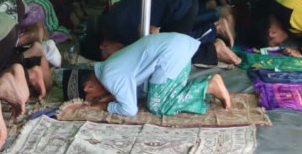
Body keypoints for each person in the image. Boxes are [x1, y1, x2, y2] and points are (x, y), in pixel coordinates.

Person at [61, 32, 231, 116]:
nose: (96, 100)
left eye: (92, 98)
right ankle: (195, 92)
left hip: (171, 54)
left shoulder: (110, 76)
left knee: (157, 105)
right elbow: (134, 91)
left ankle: (209, 85)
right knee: (151, 92)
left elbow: (129, 110)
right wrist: (111, 98)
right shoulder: (107, 68)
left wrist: (101, 106)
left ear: (89, 87)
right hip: (175, 49)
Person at [80, 0, 241, 66]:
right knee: (170, 34)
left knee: (172, 53)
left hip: (181, 7)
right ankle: (215, 21)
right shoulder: (112, 22)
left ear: (104, 45)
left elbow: (153, 35)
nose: (114, 56)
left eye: (108, 56)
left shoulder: (120, 30)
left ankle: (215, 44)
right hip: (180, 0)